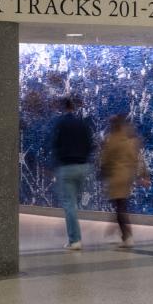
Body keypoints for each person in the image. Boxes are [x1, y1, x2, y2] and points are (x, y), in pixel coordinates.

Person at [51, 96, 95, 251]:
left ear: (64, 108)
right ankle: (75, 238)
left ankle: (75, 240)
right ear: (74, 107)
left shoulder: (61, 123)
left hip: (67, 167)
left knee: (69, 204)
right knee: (74, 203)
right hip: (83, 167)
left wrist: (55, 163)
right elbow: (90, 145)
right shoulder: (83, 124)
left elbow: (55, 145)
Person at [100, 114, 148, 248]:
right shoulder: (131, 140)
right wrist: (143, 175)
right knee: (121, 205)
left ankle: (127, 237)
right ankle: (122, 234)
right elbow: (138, 159)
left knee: (120, 207)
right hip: (127, 177)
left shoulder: (112, 139)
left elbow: (105, 160)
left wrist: (103, 173)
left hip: (116, 177)